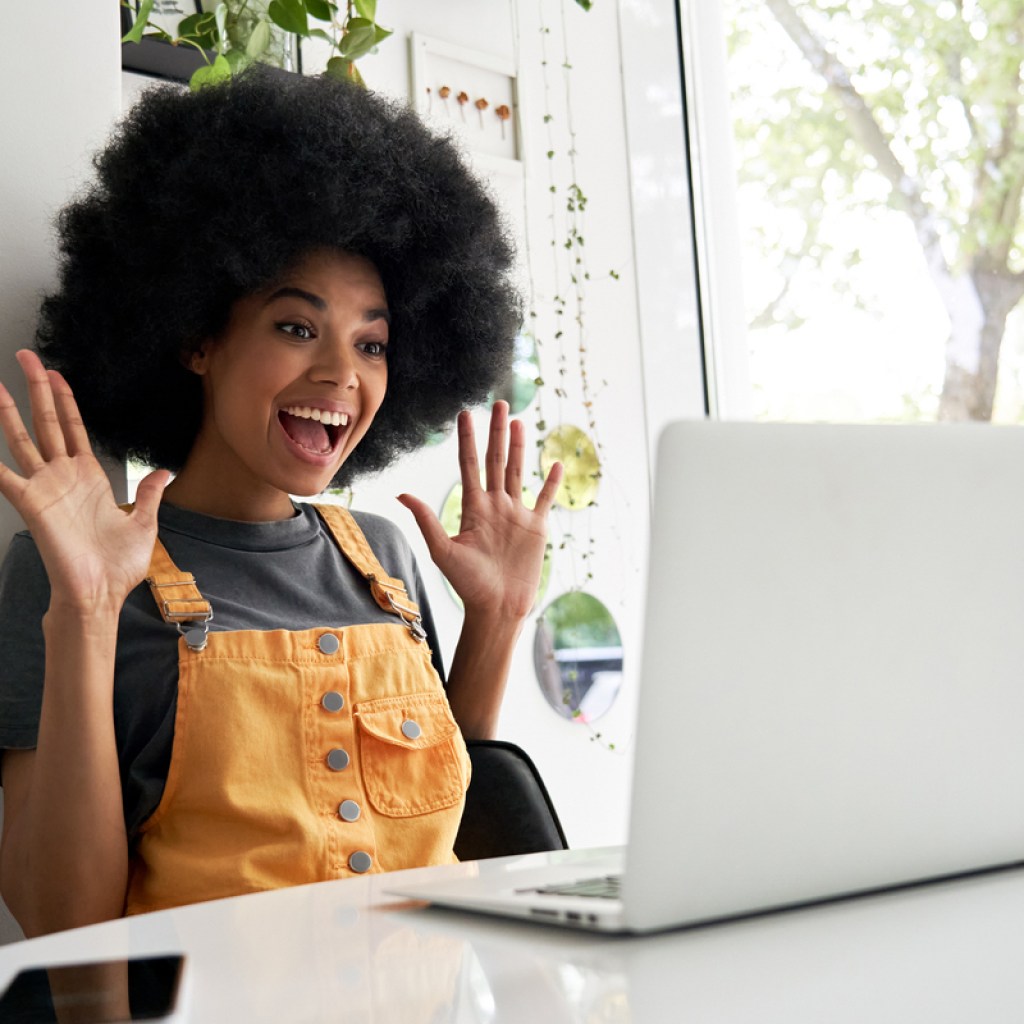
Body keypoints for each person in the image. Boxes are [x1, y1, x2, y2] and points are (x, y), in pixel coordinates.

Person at [0, 68, 562, 939]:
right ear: (196, 338)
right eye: (297, 327)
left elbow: (445, 821)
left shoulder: (385, 558)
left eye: (371, 342)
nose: (342, 375)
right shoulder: (70, 563)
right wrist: (86, 611)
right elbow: (58, 922)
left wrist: (495, 618)